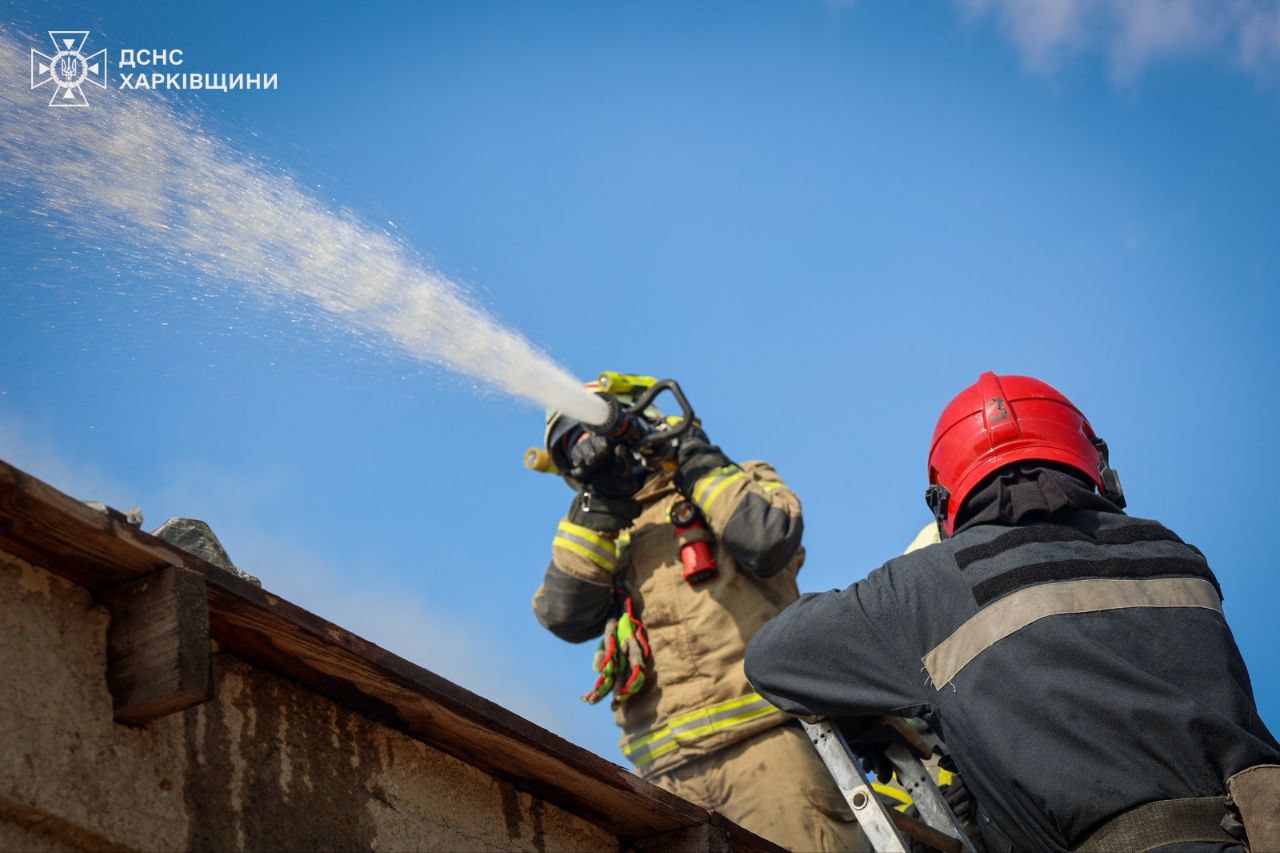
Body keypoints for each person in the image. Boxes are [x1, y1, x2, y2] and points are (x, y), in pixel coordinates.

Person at [745, 371, 1280, 852]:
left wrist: (876, 704)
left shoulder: (932, 582)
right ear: (1089, 456)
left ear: (944, 499)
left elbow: (773, 657)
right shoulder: (1175, 554)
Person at [530, 373, 865, 851]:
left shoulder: (734, 482)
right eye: (575, 444)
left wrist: (688, 455)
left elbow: (765, 538)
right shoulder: (601, 533)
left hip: (768, 748)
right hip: (664, 780)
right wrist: (602, 504)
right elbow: (563, 613)